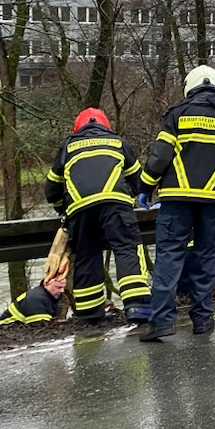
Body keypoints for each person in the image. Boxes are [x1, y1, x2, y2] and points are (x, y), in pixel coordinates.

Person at [138, 65, 215, 341]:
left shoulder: (178, 115)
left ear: (189, 87)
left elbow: (159, 158)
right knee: (205, 257)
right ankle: (202, 319)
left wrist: (145, 187)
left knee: (169, 257)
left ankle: (162, 322)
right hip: (212, 201)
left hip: (177, 200)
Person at [43, 108, 151, 323]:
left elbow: (52, 189)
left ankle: (89, 315)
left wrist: (62, 208)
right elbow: (138, 180)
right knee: (127, 248)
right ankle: (137, 306)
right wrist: (128, 196)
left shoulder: (68, 146)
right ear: (105, 126)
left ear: (78, 128)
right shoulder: (118, 142)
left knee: (86, 255)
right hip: (115, 204)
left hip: (79, 208)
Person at [0, 265, 69, 328]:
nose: (62, 291)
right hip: (3, 329)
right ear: (46, 284)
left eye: (63, 288)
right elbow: (41, 328)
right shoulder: (37, 300)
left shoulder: (47, 296)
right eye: (58, 287)